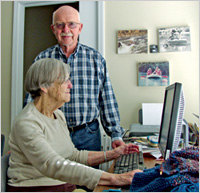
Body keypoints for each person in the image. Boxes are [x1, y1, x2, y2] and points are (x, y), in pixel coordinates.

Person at [7, 58, 141, 192]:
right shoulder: (27, 122)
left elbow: (73, 156)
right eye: (65, 80)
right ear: (44, 86)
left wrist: (113, 154)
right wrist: (116, 178)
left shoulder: (58, 115)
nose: (70, 85)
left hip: (61, 185)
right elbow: (53, 165)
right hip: (36, 188)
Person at [24, 5, 125, 154]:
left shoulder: (95, 59)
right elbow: (31, 102)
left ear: (80, 28)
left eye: (71, 24)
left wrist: (116, 135)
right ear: (53, 29)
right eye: (60, 25)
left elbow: (106, 99)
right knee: (56, 177)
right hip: (53, 134)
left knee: (90, 177)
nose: (66, 30)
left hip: (88, 135)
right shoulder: (42, 60)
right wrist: (25, 135)